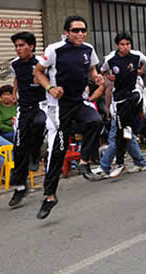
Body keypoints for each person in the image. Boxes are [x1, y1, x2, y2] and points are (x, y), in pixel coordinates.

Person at [34, 15, 104, 219]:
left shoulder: (88, 49)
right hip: (59, 106)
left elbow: (91, 69)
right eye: (75, 30)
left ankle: (84, 161)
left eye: (83, 30)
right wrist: (50, 87)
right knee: (58, 151)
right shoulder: (54, 50)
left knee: (95, 121)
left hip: (79, 102)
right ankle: (49, 196)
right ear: (66, 32)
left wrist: (96, 77)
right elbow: (38, 73)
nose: (80, 34)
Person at [7, 32, 47, 206]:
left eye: (21, 45)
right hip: (24, 108)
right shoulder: (15, 64)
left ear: (31, 46)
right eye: (16, 46)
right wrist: (14, 94)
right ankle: (20, 187)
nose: (18, 49)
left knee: (39, 123)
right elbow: (17, 79)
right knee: (18, 147)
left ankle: (35, 153)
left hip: (41, 105)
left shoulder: (41, 63)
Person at [100, 32, 146, 178]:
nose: (125, 47)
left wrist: (140, 71)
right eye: (122, 44)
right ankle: (139, 162)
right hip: (119, 100)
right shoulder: (110, 59)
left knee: (120, 133)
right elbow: (102, 70)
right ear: (117, 45)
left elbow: (144, 62)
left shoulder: (136, 55)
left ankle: (117, 164)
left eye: (128, 44)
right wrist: (108, 76)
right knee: (126, 132)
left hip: (133, 97)